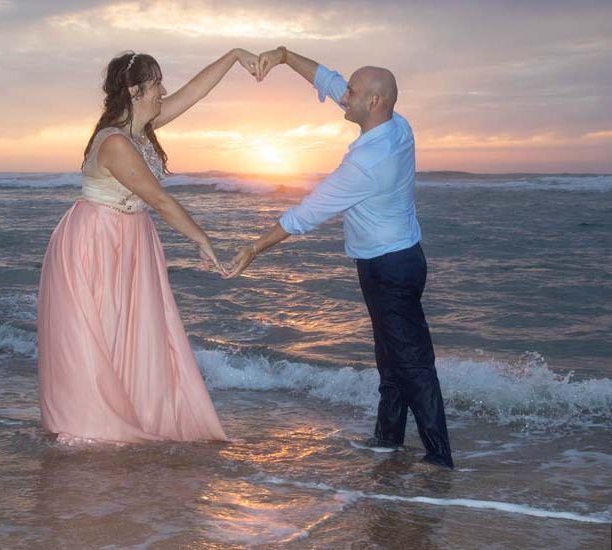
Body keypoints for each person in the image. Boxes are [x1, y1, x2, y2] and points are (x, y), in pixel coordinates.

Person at [226, 47, 454, 469]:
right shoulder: (398, 126)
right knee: (391, 361)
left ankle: (440, 458)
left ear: (374, 102)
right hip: (395, 260)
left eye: (352, 91)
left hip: (389, 267)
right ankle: (388, 441)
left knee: (412, 363)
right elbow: (329, 80)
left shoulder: (369, 161)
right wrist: (282, 56)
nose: (343, 96)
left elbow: (308, 212)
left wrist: (253, 248)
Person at [37, 49, 258, 445]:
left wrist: (234, 57)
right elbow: (159, 200)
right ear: (135, 90)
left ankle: (136, 413)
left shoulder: (142, 127)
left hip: (132, 238)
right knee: (100, 333)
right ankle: (90, 425)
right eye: (156, 84)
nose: (163, 91)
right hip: (97, 240)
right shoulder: (116, 143)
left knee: (132, 334)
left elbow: (194, 93)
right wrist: (201, 238)